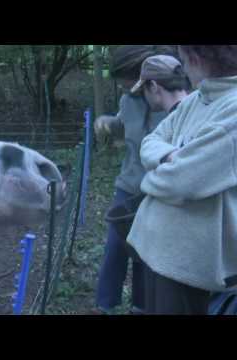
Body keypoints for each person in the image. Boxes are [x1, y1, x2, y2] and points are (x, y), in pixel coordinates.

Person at [127, 45, 237, 315]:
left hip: (188, 266)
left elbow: (183, 181)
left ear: (196, 59)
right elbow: (150, 142)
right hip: (154, 249)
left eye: (184, 60)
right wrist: (170, 158)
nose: (183, 69)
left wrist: (152, 177)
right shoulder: (195, 100)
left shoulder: (232, 109)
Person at [94, 45, 173, 315]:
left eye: (126, 81)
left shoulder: (171, 101)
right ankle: (105, 306)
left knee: (145, 252)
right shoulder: (128, 100)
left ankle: (141, 306)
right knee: (115, 247)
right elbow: (124, 126)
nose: (124, 87)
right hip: (127, 186)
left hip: (158, 191)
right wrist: (109, 123)